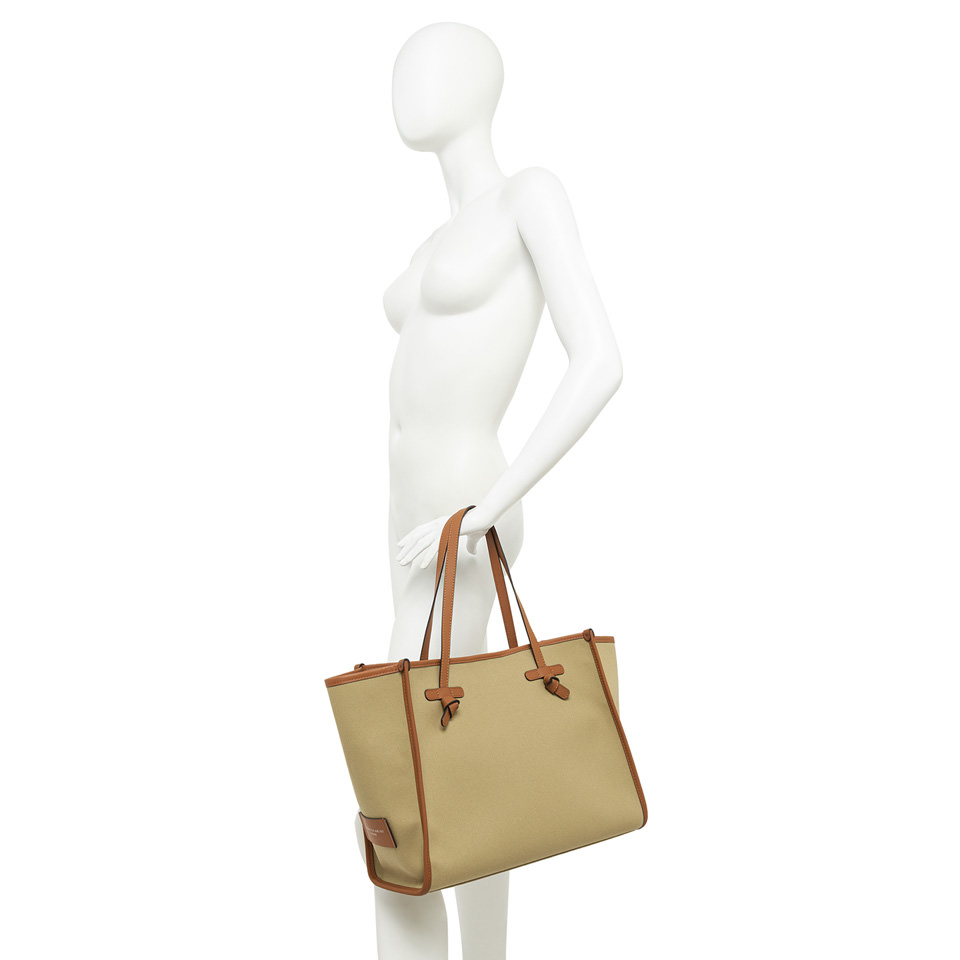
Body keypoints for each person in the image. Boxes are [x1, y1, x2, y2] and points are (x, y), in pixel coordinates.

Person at [358, 21, 624, 960]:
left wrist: (492, 504)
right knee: (459, 760)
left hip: (466, 509)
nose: (409, 81)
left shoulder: (529, 195)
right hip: (407, 514)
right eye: (402, 65)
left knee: (402, 775)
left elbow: (599, 361)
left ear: (482, 83)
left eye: (433, 62)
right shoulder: (436, 237)